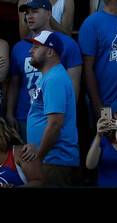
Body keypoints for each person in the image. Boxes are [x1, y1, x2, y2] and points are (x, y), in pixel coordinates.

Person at [23, 29, 80, 185]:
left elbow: (55, 123)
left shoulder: (55, 78)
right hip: (52, 159)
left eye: (36, 47)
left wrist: (38, 157)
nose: (30, 50)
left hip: (55, 160)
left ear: (50, 52)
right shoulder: (49, 77)